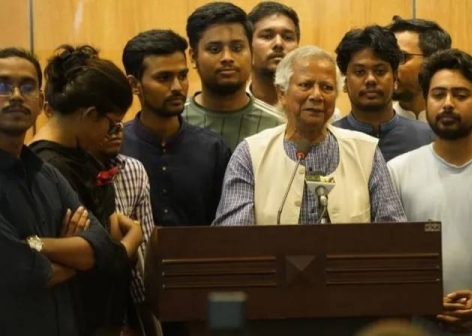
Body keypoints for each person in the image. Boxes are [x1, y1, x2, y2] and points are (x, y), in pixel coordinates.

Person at [388, 49, 472, 335]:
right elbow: (390, 262)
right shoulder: (397, 170)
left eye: (460, 95)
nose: (447, 103)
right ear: (426, 101)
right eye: (438, 95)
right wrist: (423, 302)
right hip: (422, 325)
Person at [0, 47, 123, 336]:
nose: (16, 95)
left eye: (27, 86)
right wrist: (69, 256)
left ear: (40, 101)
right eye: (3, 85)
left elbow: (101, 246)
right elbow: (19, 269)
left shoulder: (48, 175)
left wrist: (31, 244)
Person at [214, 46, 406, 225]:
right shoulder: (251, 153)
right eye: (306, 85)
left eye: (327, 87)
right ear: (282, 93)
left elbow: (393, 234)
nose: (317, 95)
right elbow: (234, 237)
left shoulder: (365, 152)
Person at [29, 45, 143, 335]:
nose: (113, 133)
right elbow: (96, 255)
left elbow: (98, 237)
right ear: (91, 114)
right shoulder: (47, 165)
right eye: (112, 124)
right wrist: (132, 239)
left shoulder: (79, 155)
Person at [121, 29, 231, 229]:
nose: (178, 87)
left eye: (182, 75)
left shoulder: (212, 148)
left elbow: (224, 228)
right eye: (164, 78)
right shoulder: (115, 147)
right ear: (134, 84)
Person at [183, 2, 283, 150]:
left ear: (251, 52)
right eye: (214, 49)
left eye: (237, 48)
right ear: (193, 57)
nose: (227, 57)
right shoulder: (172, 122)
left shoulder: (279, 127)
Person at [386, 16, 472, 142]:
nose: (390, 67)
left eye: (401, 57)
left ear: (432, 61)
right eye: (388, 58)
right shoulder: (378, 128)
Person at [333, 25, 434, 162]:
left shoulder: (429, 139)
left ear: (395, 77)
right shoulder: (328, 140)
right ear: (345, 80)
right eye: (359, 72)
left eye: (380, 71)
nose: (370, 80)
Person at [89, 126, 156, 334]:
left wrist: (145, 310)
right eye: (106, 125)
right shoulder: (65, 170)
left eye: (118, 126)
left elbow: (145, 246)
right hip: (84, 295)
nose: (115, 132)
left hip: (127, 291)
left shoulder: (133, 169)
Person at [247, 1, 343, 122]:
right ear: (248, 45)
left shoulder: (328, 116)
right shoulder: (234, 109)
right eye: (267, 36)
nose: (278, 44)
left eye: (288, 37)